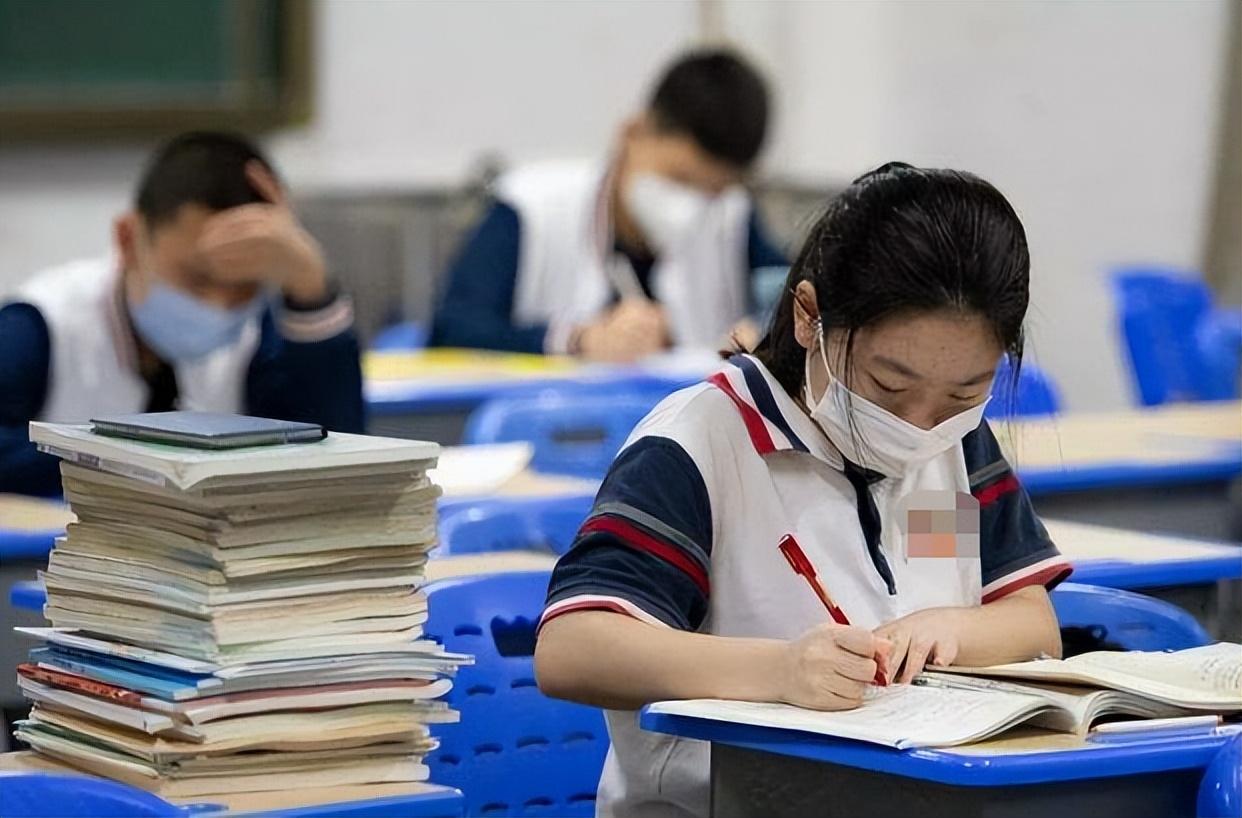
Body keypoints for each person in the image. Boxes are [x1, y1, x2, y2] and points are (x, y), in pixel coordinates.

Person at [534, 163, 1072, 818]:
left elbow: (1031, 621)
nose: (919, 424)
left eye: (964, 393)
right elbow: (573, 649)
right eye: (888, 385)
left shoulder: (949, 443)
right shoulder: (703, 443)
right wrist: (779, 671)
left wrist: (953, 629)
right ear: (808, 316)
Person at [0, 131, 364, 496]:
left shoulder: (259, 331)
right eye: (197, 279)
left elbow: (336, 467)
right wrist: (136, 461)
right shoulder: (39, 325)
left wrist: (310, 288)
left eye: (244, 283)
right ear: (128, 240)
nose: (220, 304)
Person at [429, 48, 787, 362]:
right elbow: (452, 329)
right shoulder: (532, 210)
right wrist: (577, 340)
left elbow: (797, 300)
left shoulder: (732, 217)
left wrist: (766, 335)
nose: (692, 205)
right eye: (679, 180)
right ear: (633, 132)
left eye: (712, 191)